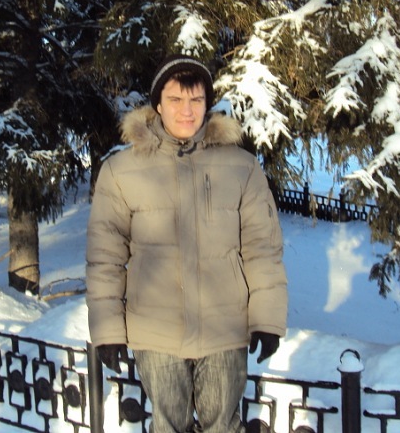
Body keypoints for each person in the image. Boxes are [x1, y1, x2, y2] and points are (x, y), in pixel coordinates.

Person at [86, 54, 288, 433]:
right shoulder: (121, 171)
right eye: (176, 99)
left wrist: (267, 318)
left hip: (225, 329)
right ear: (158, 105)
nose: (187, 110)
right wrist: (108, 329)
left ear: (207, 104)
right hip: (155, 330)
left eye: (196, 100)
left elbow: (262, 249)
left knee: (223, 427)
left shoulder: (241, 167)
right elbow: (105, 258)